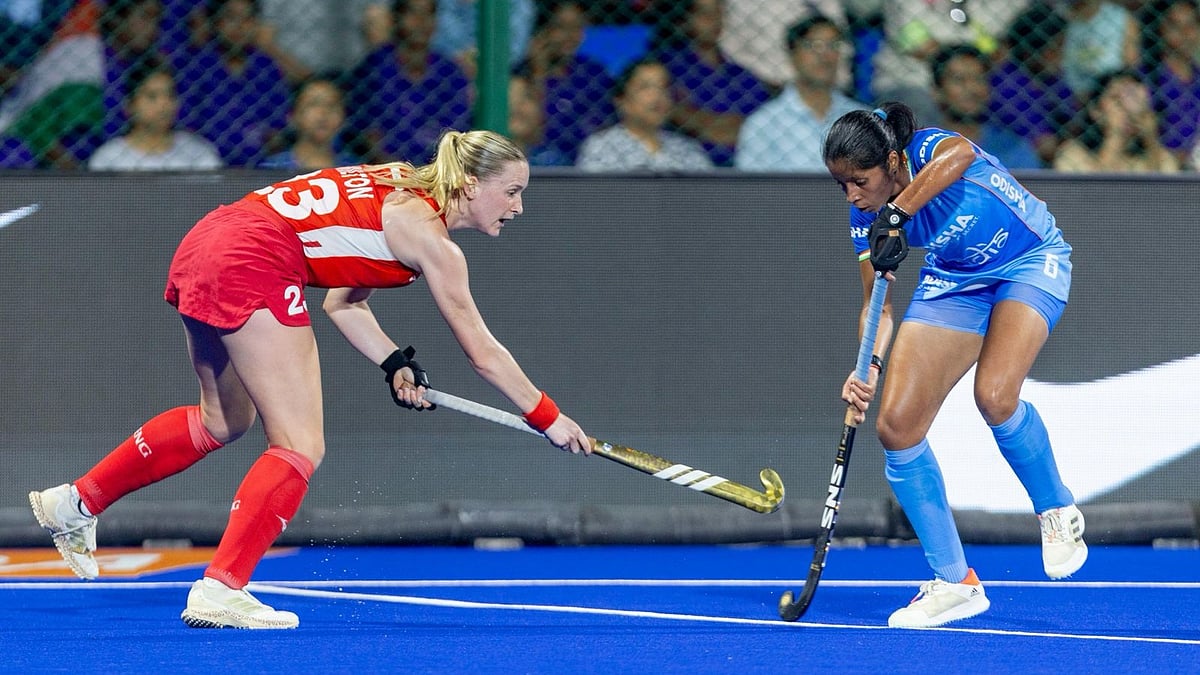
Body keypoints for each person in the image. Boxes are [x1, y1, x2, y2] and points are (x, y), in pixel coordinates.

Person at [29, 129, 591, 629]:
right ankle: (222, 588)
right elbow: (484, 354)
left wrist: (394, 361)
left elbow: (344, 304)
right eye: (512, 192)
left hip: (208, 240)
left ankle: (75, 503)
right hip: (255, 258)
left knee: (222, 419)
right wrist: (548, 418)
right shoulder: (434, 243)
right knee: (300, 444)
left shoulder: (402, 185)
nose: (518, 208)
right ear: (469, 185)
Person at [822, 102, 1087, 628]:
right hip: (957, 279)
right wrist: (867, 367)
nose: (853, 195)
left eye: (861, 180)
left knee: (994, 395)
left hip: (1030, 260)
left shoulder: (927, 148)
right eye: (841, 185)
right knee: (896, 426)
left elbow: (960, 154)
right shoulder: (864, 217)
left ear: (894, 159)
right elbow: (878, 305)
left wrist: (897, 215)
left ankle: (1057, 510)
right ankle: (955, 583)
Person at [735, 14, 868, 172]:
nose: (824, 55)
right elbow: (751, 190)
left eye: (832, 45)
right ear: (793, 54)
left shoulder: (865, 122)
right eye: (813, 45)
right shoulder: (763, 125)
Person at [344, 0, 472, 164]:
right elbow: (366, 134)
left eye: (429, 14)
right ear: (396, 18)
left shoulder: (450, 72)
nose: (422, 21)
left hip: (440, 169)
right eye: (413, 13)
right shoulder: (374, 67)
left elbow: (459, 133)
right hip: (384, 169)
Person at [653, 0, 772, 167]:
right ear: (686, 19)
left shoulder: (741, 75)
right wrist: (734, 127)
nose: (713, 19)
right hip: (687, 164)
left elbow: (765, 126)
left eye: (718, 12)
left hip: (747, 164)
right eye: (704, 13)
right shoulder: (668, 66)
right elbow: (676, 116)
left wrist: (705, 122)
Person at [576, 58, 713, 172]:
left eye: (663, 87)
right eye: (645, 87)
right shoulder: (601, 146)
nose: (658, 96)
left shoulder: (687, 148)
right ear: (621, 101)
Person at [88, 59, 222, 171]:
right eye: (152, 96)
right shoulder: (108, 159)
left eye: (170, 95)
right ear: (130, 106)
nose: (164, 104)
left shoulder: (198, 153)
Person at [988, 4, 1078, 167]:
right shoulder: (1006, 85)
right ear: (1029, 51)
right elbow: (1044, 146)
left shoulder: (1053, 79)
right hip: (1012, 163)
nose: (1061, 55)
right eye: (1055, 48)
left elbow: (1075, 122)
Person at [928, 44, 1041, 170]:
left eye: (979, 79)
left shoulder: (1013, 149)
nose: (972, 89)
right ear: (937, 91)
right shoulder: (919, 149)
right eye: (959, 80)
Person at [1053, 69, 1180, 173]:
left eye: (1135, 98)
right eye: (1117, 100)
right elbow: (1091, 196)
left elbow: (1164, 194)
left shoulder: (1160, 156)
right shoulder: (1072, 154)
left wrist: (1151, 137)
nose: (1127, 108)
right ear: (1095, 110)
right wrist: (1115, 134)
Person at [1137, 0, 1200, 168]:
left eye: (1192, 25)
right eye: (1176, 26)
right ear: (1161, 30)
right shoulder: (1144, 79)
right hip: (1159, 165)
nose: (1186, 34)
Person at [258, 77, 359, 171]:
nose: (323, 112)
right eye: (313, 104)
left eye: (332, 105)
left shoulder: (354, 169)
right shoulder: (274, 168)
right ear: (293, 116)